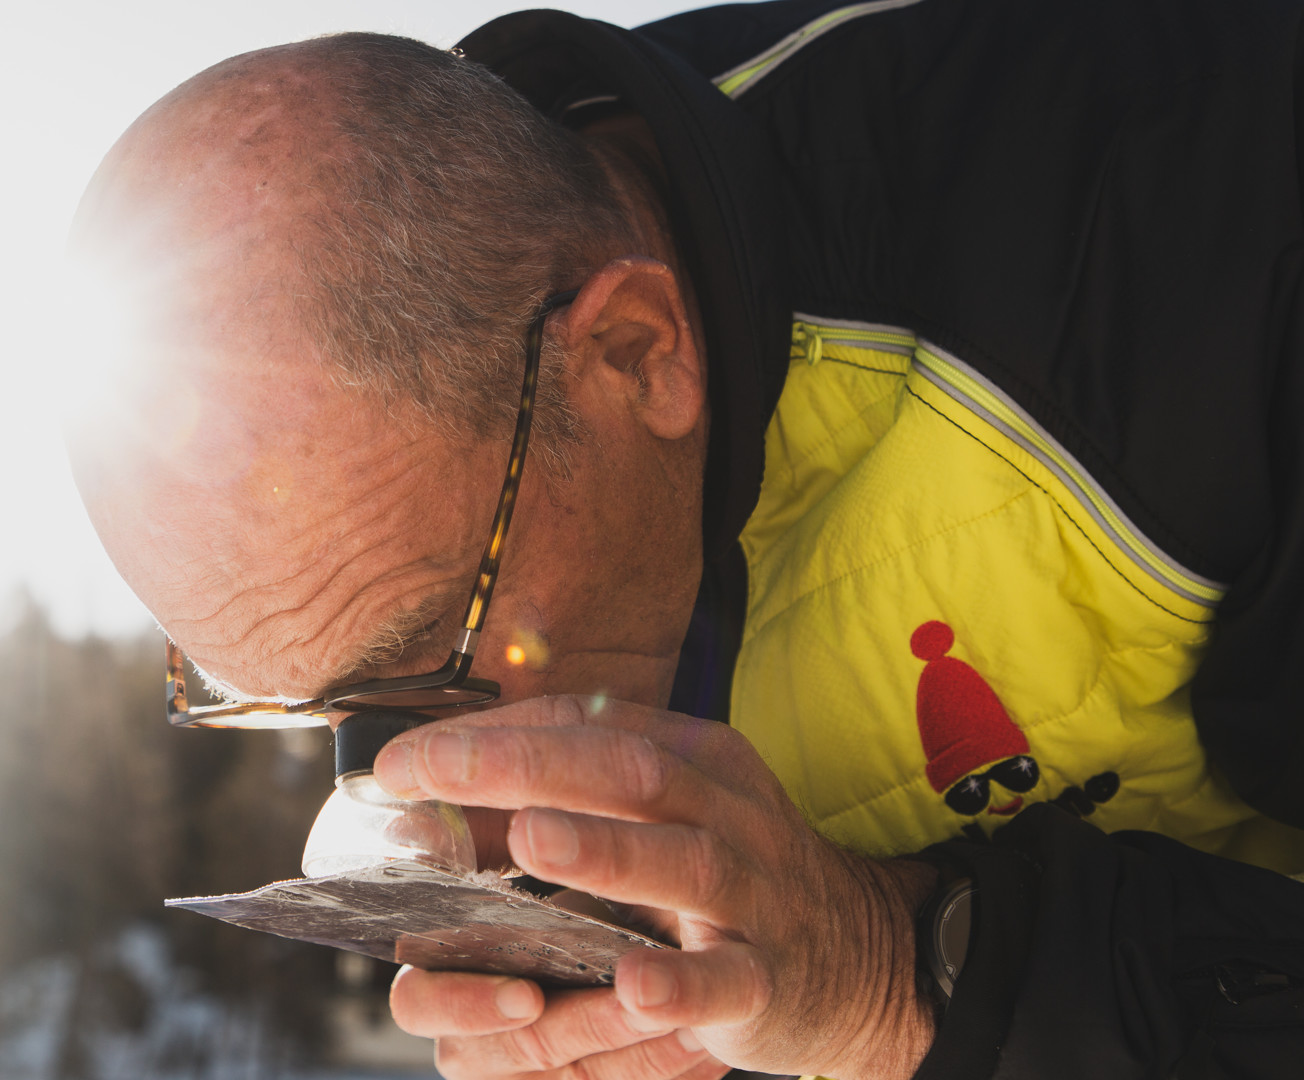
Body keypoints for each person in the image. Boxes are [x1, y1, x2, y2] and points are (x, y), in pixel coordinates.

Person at [65, 0, 1304, 1076]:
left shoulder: (1198, 230)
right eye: (299, 709)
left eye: (427, 653)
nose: (397, 787)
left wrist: (911, 982)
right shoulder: (519, 467)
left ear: (635, 353)